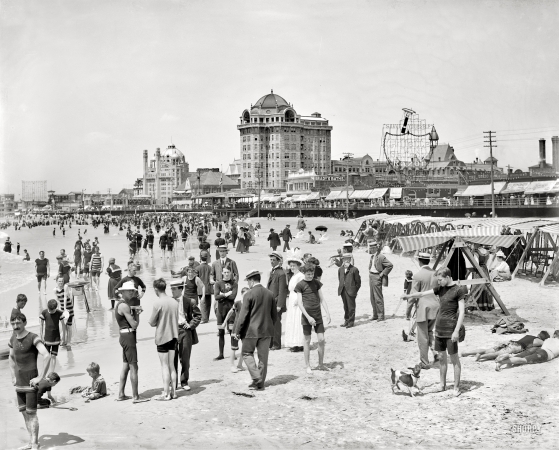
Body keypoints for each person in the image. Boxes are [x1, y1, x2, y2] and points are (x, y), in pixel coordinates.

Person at [403, 267, 466, 396]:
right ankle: (442, 385)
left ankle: (456, 387)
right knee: (442, 357)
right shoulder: (440, 289)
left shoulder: (458, 290)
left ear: (448, 277)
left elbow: (462, 312)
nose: (439, 282)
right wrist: (408, 295)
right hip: (439, 329)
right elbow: (421, 294)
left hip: (451, 329)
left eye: (441, 280)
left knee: (454, 359)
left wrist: (456, 330)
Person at [8, 312, 52, 450]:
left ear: (24, 323)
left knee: (32, 414)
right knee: (24, 413)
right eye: (13, 323)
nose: (15, 325)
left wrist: (41, 377)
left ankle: (35, 443)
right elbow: (11, 357)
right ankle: (31, 441)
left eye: (18, 323)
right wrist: (13, 376)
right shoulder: (13, 338)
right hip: (19, 383)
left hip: (31, 382)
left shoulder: (33, 337)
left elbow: (47, 355)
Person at [234, 270, 277, 391]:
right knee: (263, 358)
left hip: (251, 331)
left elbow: (243, 316)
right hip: (266, 331)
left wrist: (237, 331)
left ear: (252, 280)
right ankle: (260, 383)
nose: (248, 284)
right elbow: (274, 316)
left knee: (247, 353)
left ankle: (256, 377)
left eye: (248, 281)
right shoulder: (270, 294)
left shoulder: (249, 294)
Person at [400, 253, 439, 369]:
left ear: (419, 261)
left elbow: (413, 296)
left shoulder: (417, 276)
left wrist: (407, 311)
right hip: (435, 307)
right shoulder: (436, 274)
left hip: (423, 309)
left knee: (422, 337)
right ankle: (436, 353)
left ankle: (425, 362)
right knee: (430, 332)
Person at [115, 281, 150, 403]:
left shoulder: (121, 304)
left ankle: (121, 394)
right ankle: (135, 396)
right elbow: (134, 325)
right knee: (134, 366)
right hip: (128, 336)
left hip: (124, 335)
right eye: (129, 291)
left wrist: (134, 311)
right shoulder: (124, 306)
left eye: (132, 291)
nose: (131, 292)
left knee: (126, 366)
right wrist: (137, 313)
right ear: (122, 292)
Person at [295, 263, 331, 373]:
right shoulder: (300, 285)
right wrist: (308, 317)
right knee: (307, 340)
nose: (310, 276)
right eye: (308, 274)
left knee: (321, 339)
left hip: (318, 315)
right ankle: (307, 366)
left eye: (312, 274)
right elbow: (300, 303)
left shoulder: (316, 283)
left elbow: (322, 299)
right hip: (307, 316)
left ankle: (320, 364)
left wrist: (328, 313)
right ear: (304, 273)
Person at [148, 278, 179, 401]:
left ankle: (166, 393)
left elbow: (151, 322)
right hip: (174, 336)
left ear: (156, 289)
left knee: (164, 366)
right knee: (172, 366)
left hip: (162, 337)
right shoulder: (174, 302)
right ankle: (174, 392)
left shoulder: (157, 303)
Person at [170, 279, 201, 391]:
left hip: (185, 330)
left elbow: (198, 315)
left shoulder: (189, 301)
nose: (172, 291)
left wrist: (191, 325)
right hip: (172, 331)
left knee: (185, 357)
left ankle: (184, 381)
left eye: (174, 289)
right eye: (171, 289)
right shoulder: (169, 301)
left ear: (180, 289)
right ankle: (172, 382)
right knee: (172, 358)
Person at [462, 330, 550, 361]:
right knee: (497, 354)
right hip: (515, 346)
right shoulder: (539, 341)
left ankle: (466, 353)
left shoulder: (530, 336)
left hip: (510, 342)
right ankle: (480, 356)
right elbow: (547, 344)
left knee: (488, 349)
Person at [214, 267, 238, 360]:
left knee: (232, 332)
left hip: (231, 310)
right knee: (221, 332)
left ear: (231, 273)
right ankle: (221, 354)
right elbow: (216, 297)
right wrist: (226, 294)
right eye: (225, 272)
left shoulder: (234, 284)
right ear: (222, 273)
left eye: (228, 272)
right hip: (221, 310)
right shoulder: (218, 283)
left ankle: (233, 353)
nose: (227, 274)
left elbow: (233, 297)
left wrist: (222, 295)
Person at [221, 287, 247, 372]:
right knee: (233, 347)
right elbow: (230, 312)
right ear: (242, 294)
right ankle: (232, 365)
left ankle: (240, 364)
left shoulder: (250, 304)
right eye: (245, 294)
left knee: (245, 347)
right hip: (236, 328)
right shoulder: (237, 303)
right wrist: (225, 322)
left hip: (245, 328)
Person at [267, 252, 288, 350]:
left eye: (274, 260)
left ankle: (276, 344)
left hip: (276, 303)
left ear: (279, 261)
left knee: (276, 323)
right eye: (271, 260)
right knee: (271, 323)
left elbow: (282, 291)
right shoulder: (273, 271)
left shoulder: (281, 273)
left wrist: (279, 305)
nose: (271, 262)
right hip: (271, 302)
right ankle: (271, 343)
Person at [284, 257, 305, 352]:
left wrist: (298, 299)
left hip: (297, 299)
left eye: (294, 266)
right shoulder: (293, 276)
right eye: (291, 266)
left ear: (298, 266)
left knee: (297, 320)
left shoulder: (301, 276)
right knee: (292, 320)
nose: (292, 267)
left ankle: (300, 343)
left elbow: (303, 289)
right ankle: (293, 342)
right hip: (292, 298)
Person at [368, 242, 393, 321]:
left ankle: (381, 316)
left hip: (376, 276)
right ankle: (375, 315)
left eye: (372, 248)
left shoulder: (381, 256)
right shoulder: (372, 256)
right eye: (370, 248)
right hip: (371, 276)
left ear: (375, 248)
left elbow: (390, 265)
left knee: (378, 297)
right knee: (372, 297)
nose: (370, 249)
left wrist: (382, 274)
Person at [337, 254, 361, 328]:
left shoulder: (354, 269)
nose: (346, 261)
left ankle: (351, 322)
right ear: (342, 260)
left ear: (350, 260)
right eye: (344, 259)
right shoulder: (340, 269)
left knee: (351, 307)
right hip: (343, 290)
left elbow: (358, 282)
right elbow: (340, 279)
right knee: (345, 306)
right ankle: (346, 321)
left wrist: (354, 290)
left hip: (351, 291)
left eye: (348, 259)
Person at [39, 299, 63, 372]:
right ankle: (45, 372)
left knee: (53, 356)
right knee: (46, 356)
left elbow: (63, 325)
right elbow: (41, 324)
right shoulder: (44, 313)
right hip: (47, 339)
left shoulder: (59, 313)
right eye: (50, 310)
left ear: (56, 308)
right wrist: (41, 335)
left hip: (56, 339)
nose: (51, 312)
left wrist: (63, 337)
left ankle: (52, 372)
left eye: (53, 310)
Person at [55, 277, 74, 348]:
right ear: (56, 281)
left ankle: (69, 341)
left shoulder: (65, 287)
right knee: (63, 326)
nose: (61, 282)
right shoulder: (55, 290)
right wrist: (58, 310)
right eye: (59, 281)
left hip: (68, 309)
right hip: (62, 309)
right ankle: (63, 340)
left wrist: (65, 309)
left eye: (62, 281)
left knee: (69, 326)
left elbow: (65, 297)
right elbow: (57, 300)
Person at [197, 253, 213, 323]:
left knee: (202, 303)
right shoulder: (210, 267)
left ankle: (204, 318)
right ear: (207, 259)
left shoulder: (197, 268)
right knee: (208, 303)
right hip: (209, 288)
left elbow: (196, 279)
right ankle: (207, 317)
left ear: (200, 258)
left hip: (200, 289)